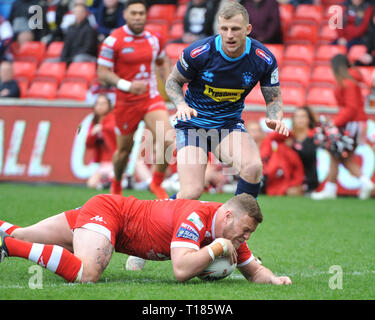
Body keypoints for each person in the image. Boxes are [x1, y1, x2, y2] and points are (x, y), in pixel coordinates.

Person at [0, 193, 292, 285]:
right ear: (227, 216)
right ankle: (9, 248)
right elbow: (180, 271)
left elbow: (253, 270)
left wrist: (275, 279)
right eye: (245, 229)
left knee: (21, 230)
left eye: (250, 232)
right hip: (109, 213)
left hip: (115, 216)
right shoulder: (197, 217)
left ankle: (11, 239)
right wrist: (217, 248)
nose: (247, 236)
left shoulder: (231, 234)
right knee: (87, 273)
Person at [165, 1, 289, 201]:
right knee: (191, 193)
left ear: (248, 29)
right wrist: (181, 104)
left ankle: (238, 225)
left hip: (228, 126)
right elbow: (173, 81)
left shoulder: (263, 58)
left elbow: (273, 99)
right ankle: (156, 213)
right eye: (224, 28)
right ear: (218, 28)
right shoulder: (199, 52)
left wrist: (275, 117)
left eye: (235, 29)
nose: (229, 35)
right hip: (192, 126)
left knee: (253, 167)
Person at [97, 0, 174, 200]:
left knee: (167, 138)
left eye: (141, 13)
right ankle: (116, 183)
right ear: (126, 15)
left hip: (150, 98)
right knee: (123, 151)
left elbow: (162, 61)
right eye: (134, 13)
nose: (138, 17)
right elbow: (102, 73)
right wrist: (126, 85)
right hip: (125, 102)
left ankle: (156, 183)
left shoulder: (153, 39)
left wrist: (169, 85)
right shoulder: (113, 40)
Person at [311, 54, 374, 200]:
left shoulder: (348, 82)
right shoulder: (352, 80)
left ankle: (335, 189)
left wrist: (335, 123)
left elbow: (351, 108)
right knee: (340, 155)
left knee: (338, 154)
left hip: (352, 123)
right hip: (356, 122)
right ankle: (336, 188)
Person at [86, 94, 117, 190]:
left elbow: (115, 138)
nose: (100, 106)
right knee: (91, 184)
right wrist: (93, 134)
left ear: (109, 106)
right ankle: (105, 185)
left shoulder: (113, 118)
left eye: (103, 104)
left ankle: (120, 180)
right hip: (103, 163)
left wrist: (103, 129)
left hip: (114, 161)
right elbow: (88, 144)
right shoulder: (94, 121)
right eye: (98, 104)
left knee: (114, 179)